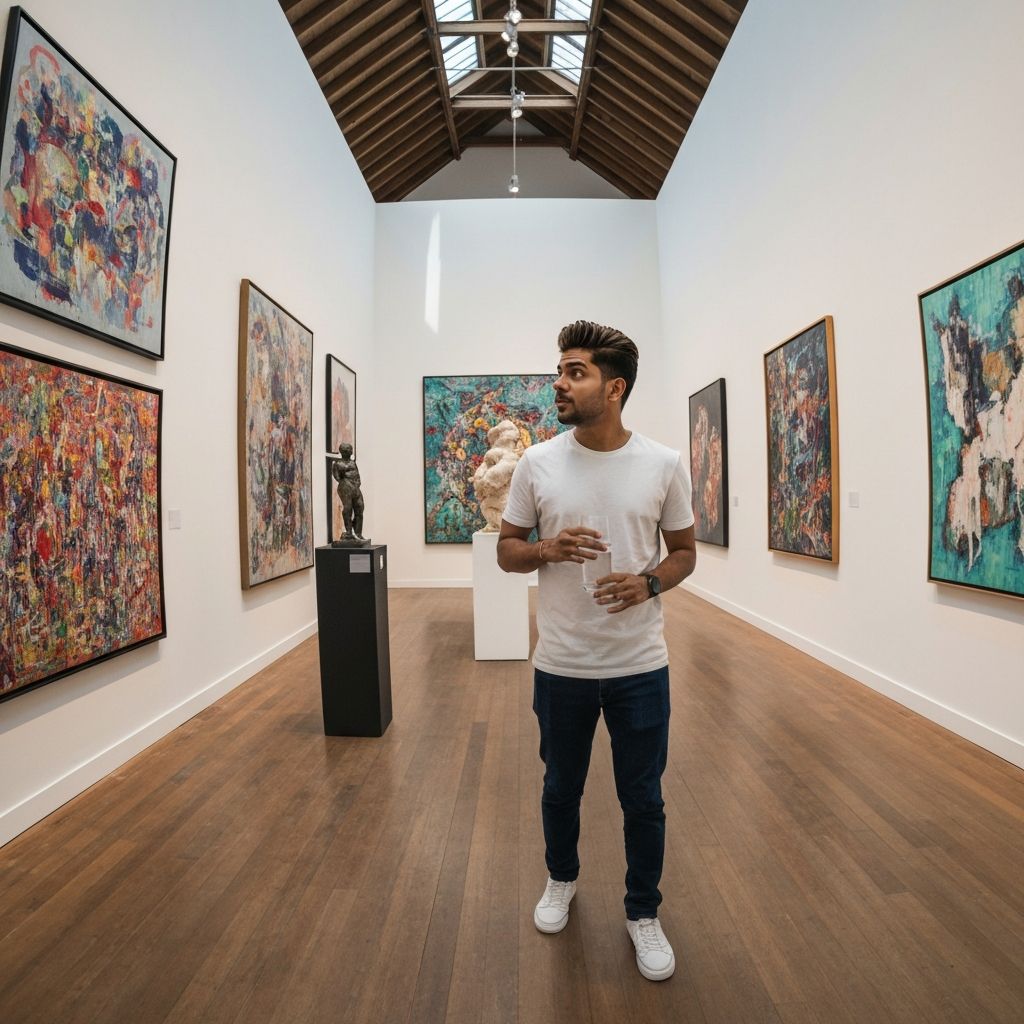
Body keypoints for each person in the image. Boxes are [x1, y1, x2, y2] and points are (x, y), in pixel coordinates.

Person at [497, 320, 696, 982]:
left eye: (574, 371)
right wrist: (546, 549)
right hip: (563, 666)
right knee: (561, 787)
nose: (559, 381)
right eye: (560, 368)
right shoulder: (537, 463)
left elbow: (685, 553)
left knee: (643, 797)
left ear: (614, 388)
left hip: (641, 667)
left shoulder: (663, 464)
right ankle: (562, 879)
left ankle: (644, 912)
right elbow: (506, 550)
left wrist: (647, 583)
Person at [331, 442, 365, 541]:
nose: (351, 451)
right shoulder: (337, 464)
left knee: (360, 508)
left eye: (351, 449)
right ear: (343, 451)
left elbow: (357, 475)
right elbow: (337, 478)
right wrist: (347, 484)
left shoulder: (353, 463)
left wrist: (357, 484)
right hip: (345, 488)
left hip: (355, 488)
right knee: (348, 509)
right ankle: (349, 533)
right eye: (349, 449)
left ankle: (358, 533)